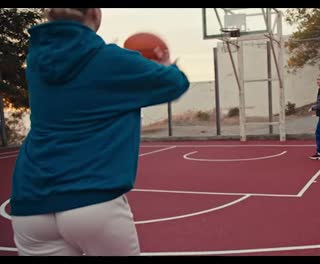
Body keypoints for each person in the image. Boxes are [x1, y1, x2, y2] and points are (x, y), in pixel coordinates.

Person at [9, 8, 190, 256]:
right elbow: (176, 83)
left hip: (30, 202)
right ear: (95, 13)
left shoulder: (36, 60)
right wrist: (164, 62)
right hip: (92, 198)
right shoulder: (113, 60)